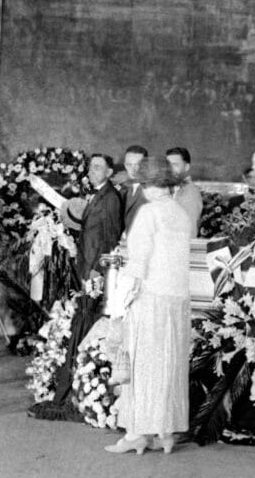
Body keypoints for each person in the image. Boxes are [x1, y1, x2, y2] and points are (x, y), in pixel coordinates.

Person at [104, 158, 192, 455]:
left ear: (147, 186)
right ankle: (164, 433)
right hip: (177, 303)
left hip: (150, 301)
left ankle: (135, 435)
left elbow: (137, 264)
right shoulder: (181, 214)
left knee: (142, 368)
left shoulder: (148, 213)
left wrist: (118, 306)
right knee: (168, 367)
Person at [30, 154, 123, 421]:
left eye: (97, 167)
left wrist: (97, 274)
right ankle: (66, 395)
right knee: (80, 331)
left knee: (84, 331)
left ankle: (69, 398)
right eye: (90, 167)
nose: (92, 172)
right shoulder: (97, 196)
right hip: (87, 272)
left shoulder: (111, 199)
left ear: (108, 172)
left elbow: (110, 239)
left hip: (95, 275)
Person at [166, 146, 202, 237]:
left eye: (175, 165)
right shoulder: (173, 189)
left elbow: (189, 233)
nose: (170, 169)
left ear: (186, 167)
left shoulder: (189, 193)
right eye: (167, 165)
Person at [115, 145, 148, 234]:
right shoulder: (120, 187)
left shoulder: (152, 190)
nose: (133, 169)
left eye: (138, 165)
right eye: (129, 164)